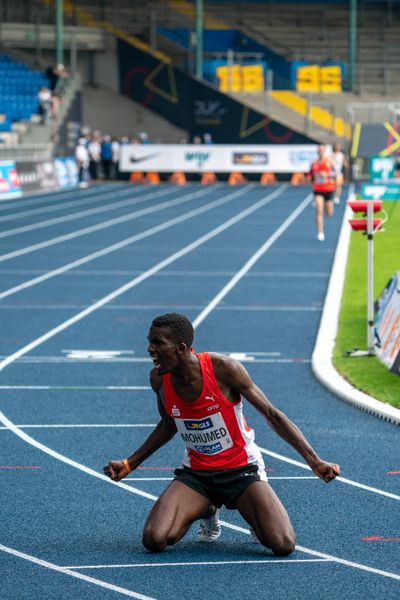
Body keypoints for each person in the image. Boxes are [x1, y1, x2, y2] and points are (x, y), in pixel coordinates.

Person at [104, 313, 340, 555]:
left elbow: (272, 415)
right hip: (198, 474)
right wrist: (129, 463)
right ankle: (207, 509)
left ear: (181, 348)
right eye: (149, 342)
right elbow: (168, 425)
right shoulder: (159, 379)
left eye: (157, 343)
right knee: (154, 539)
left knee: (282, 544)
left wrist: (314, 461)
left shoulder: (224, 370)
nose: (150, 349)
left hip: (242, 470)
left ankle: (252, 512)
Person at [308, 145, 336, 242]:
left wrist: (327, 175)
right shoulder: (313, 163)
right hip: (318, 190)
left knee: (329, 214)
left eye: (322, 150)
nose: (320, 151)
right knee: (319, 211)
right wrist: (310, 178)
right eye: (319, 150)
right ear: (317, 151)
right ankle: (320, 232)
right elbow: (310, 175)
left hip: (329, 189)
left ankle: (329, 205)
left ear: (324, 151)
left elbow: (337, 173)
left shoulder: (329, 161)